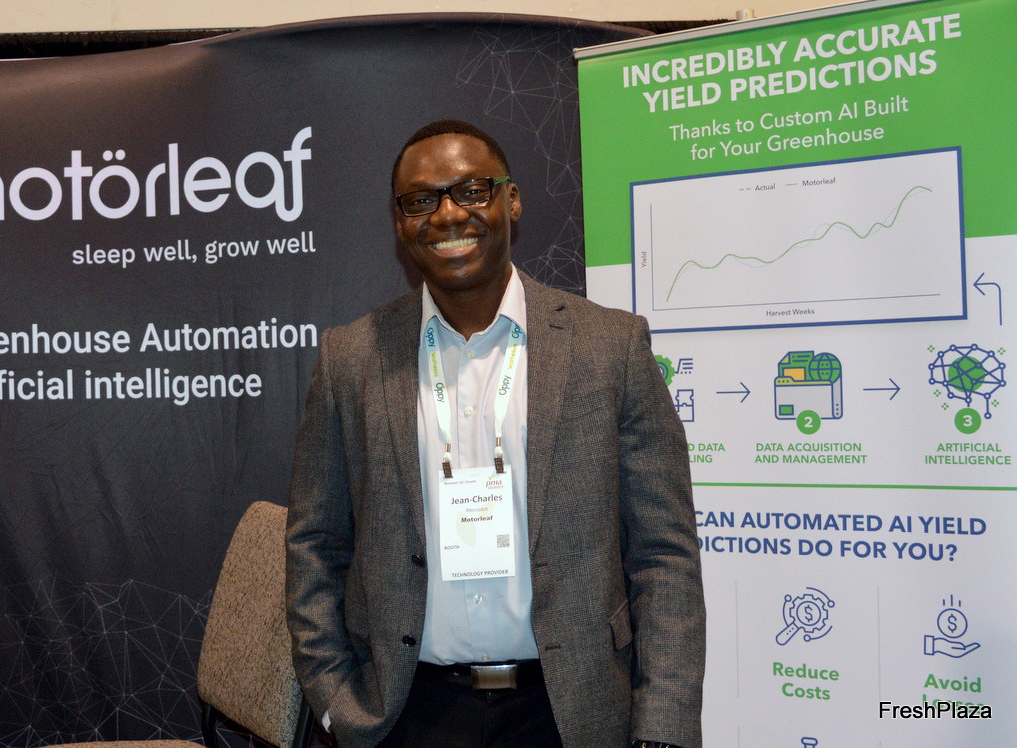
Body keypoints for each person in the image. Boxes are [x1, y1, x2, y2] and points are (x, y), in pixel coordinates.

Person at [286, 119, 704, 748]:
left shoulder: (609, 347)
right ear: (400, 223)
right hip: (405, 716)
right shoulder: (351, 358)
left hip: (572, 715)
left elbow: (663, 553)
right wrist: (334, 703)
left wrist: (663, 726)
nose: (448, 215)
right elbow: (315, 543)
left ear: (511, 201)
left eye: (471, 191)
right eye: (421, 200)